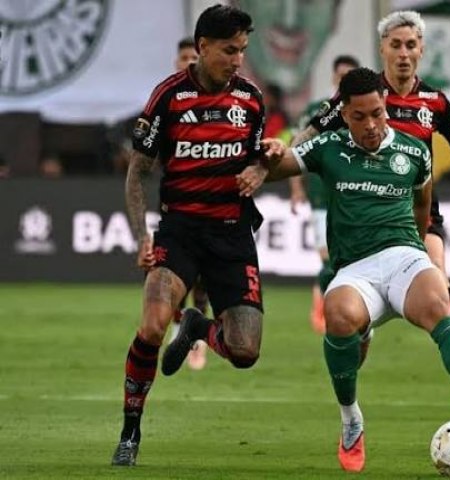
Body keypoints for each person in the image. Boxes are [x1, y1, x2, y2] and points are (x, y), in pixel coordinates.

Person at [237, 67, 450, 473]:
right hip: (355, 271)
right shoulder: (329, 147)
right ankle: (351, 419)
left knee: (437, 299)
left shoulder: (414, 152)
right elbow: (281, 165)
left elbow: (423, 205)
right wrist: (269, 154)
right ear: (344, 114)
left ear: (386, 106)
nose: (371, 124)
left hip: (403, 256)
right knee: (337, 315)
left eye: (377, 113)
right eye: (359, 117)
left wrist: (416, 252)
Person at [293, 10, 450, 412]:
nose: (403, 53)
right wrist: (279, 159)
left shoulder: (434, 102)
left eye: (411, 45)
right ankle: (365, 329)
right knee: (357, 315)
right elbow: (312, 134)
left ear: (422, 51)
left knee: (440, 287)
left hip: (419, 213)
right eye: (396, 45)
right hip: (365, 218)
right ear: (382, 49)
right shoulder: (363, 96)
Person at [111, 5, 266, 466]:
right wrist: (142, 237)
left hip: (232, 235)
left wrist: (262, 167)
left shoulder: (251, 100)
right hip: (179, 231)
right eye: (229, 50)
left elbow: (261, 161)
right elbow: (137, 173)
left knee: (245, 352)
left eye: (242, 50)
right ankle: (130, 432)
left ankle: (199, 327)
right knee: (153, 325)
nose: (238, 60)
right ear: (202, 47)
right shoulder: (168, 97)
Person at [289, 54, 360, 334]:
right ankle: (325, 309)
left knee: (347, 260)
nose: (344, 80)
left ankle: (337, 304)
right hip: (321, 196)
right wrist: (297, 189)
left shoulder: (361, 112)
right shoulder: (317, 111)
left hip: (353, 197)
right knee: (328, 259)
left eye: (349, 76)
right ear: (333, 77)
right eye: (341, 75)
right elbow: (295, 148)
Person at [168, 36, 209, 371]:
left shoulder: (220, 101)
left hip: (214, 206)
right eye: (184, 58)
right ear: (176, 62)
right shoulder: (168, 101)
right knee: (175, 273)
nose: (189, 63)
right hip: (177, 204)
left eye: (194, 57)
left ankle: (197, 338)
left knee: (204, 277)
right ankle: (177, 328)